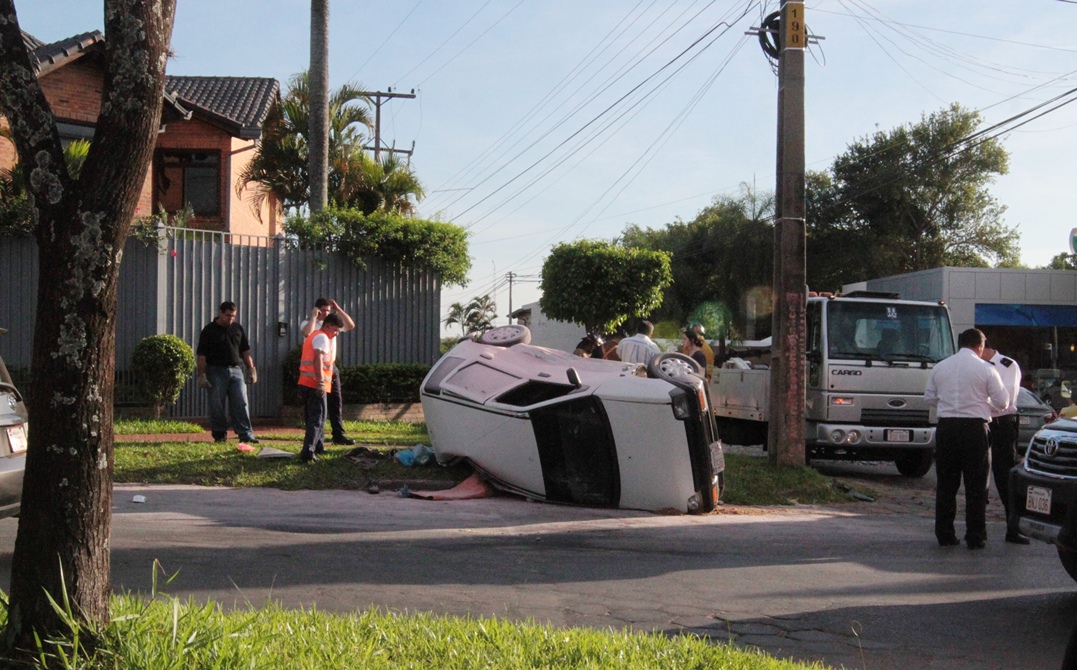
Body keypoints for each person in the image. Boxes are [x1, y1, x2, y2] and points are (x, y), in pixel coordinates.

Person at [924, 328, 1009, 550]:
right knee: (977, 486)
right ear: (980, 347)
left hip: (947, 428)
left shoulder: (941, 366)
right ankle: (975, 535)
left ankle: (944, 533)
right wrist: (984, 404)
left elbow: (930, 397)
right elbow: (1003, 402)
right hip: (974, 429)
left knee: (946, 484)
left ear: (960, 344)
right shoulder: (986, 369)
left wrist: (950, 405)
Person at [979, 343, 1030, 544]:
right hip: (980, 422)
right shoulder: (975, 364)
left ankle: (1013, 528)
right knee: (978, 475)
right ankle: (977, 529)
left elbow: (1006, 400)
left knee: (1005, 476)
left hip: (1001, 422)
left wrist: (980, 402)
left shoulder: (1006, 365)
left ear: (984, 347)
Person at [196, 301, 259, 444]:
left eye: (233, 316)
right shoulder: (209, 330)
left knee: (241, 402)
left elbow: (245, 351)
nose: (230, 319)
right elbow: (201, 355)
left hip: (236, 370)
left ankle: (246, 434)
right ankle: (219, 434)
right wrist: (201, 375)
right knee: (217, 404)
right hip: (215, 370)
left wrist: (251, 369)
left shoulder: (237, 329)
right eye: (228, 315)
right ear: (220, 312)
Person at [300, 297, 357, 445]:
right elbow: (307, 333)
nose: (326, 313)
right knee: (317, 409)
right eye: (323, 310)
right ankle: (316, 441)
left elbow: (350, 325)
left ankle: (338, 435)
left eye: (328, 310)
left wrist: (338, 310)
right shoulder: (311, 324)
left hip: (330, 368)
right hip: (316, 370)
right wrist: (313, 316)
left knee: (335, 402)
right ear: (317, 310)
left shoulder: (333, 324)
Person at [298, 312, 345, 462]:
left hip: (306, 383)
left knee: (312, 418)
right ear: (328, 325)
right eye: (336, 329)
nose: (337, 333)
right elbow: (317, 358)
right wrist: (320, 382)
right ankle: (308, 453)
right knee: (317, 419)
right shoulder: (322, 338)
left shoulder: (313, 335)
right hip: (315, 385)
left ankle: (317, 447)